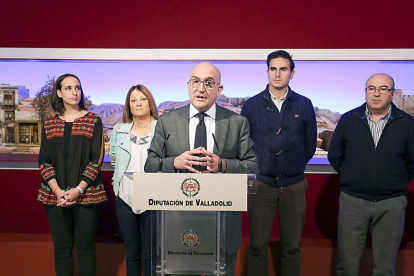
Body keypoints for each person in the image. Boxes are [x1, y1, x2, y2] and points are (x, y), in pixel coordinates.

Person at [145, 62, 259, 276]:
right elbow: (150, 164)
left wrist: (223, 165)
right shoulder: (167, 121)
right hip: (177, 222)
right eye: (195, 81)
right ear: (188, 85)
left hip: (222, 222)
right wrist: (174, 163)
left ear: (219, 89)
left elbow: (253, 166)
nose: (201, 88)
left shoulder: (236, 123)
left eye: (208, 83)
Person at [328, 73, 414, 276]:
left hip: (391, 204)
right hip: (352, 202)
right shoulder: (349, 119)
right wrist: (354, 177)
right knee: (347, 266)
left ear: (391, 93)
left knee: (384, 269)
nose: (376, 93)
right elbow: (335, 155)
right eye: (371, 88)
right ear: (365, 91)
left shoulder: (408, 124)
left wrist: (394, 182)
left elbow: (412, 162)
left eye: (383, 89)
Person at [241, 50, 317, 276]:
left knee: (292, 246)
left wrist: (292, 166)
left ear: (292, 73)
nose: (277, 74)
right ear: (267, 72)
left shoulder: (304, 104)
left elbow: (310, 144)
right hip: (261, 185)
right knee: (257, 246)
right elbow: (245, 144)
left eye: (283, 69)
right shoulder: (251, 105)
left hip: (293, 186)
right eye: (273, 69)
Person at [36, 73, 107, 276]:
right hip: (54, 195)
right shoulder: (50, 123)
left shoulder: (93, 120)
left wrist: (78, 189)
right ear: (59, 93)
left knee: (85, 249)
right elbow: (44, 159)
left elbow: (96, 159)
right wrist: (57, 190)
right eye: (68, 88)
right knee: (62, 250)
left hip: (87, 194)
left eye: (77, 87)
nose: (74, 92)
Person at [109, 84, 158, 276]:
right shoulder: (119, 129)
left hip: (154, 199)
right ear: (128, 105)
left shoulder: (161, 128)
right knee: (132, 254)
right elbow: (114, 158)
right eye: (133, 100)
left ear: (150, 102)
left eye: (143, 99)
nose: (138, 104)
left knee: (151, 254)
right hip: (125, 198)